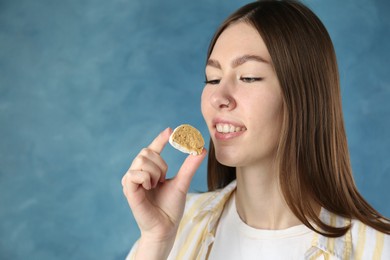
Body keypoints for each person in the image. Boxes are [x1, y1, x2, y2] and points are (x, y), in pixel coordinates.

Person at [121, 0, 390, 259]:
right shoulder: (175, 223)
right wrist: (156, 240)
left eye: (249, 77)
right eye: (213, 78)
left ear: (304, 95)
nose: (218, 97)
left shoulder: (378, 248)